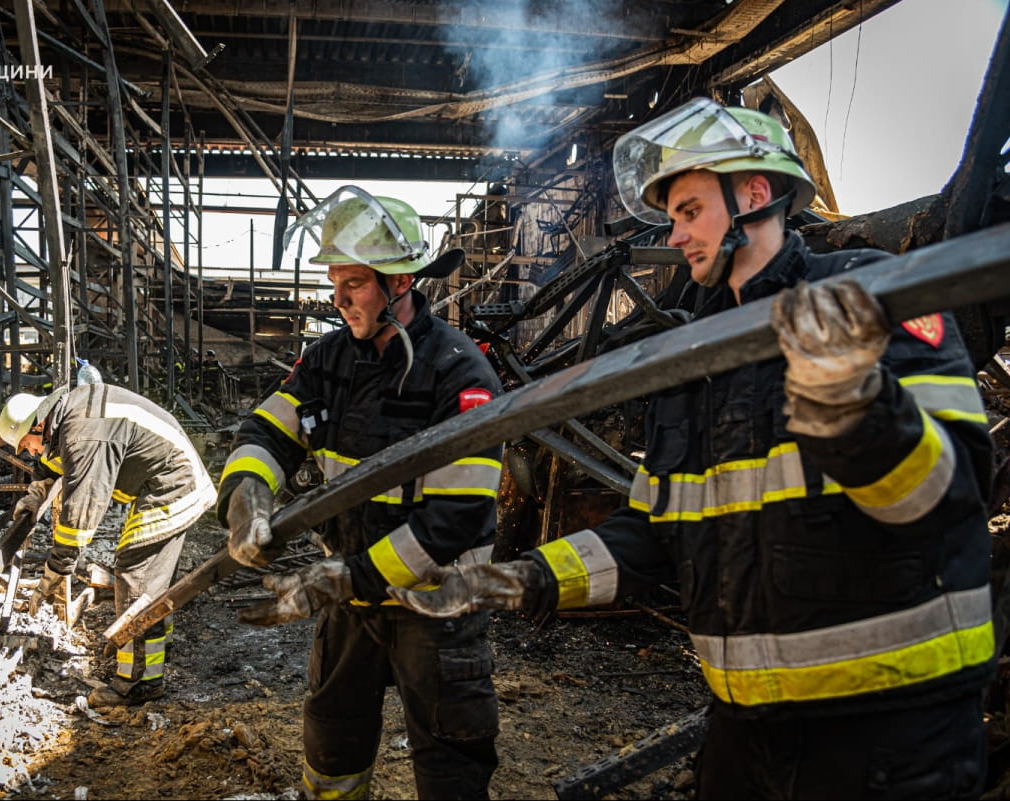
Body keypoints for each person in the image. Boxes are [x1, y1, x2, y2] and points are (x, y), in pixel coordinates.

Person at [389, 98, 996, 800]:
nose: (675, 236)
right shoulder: (691, 360)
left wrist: (850, 399)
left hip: (891, 735)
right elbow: (653, 531)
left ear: (755, 195)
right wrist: (522, 580)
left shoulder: (869, 302)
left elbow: (947, 497)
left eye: (689, 210)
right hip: (745, 732)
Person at [216, 186, 504, 799]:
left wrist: (347, 577)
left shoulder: (460, 372)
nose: (337, 297)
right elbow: (266, 432)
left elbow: (454, 521)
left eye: (353, 282)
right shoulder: (326, 360)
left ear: (399, 283)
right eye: (335, 280)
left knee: (450, 760)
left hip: (438, 607)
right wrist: (247, 496)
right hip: (350, 606)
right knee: (333, 744)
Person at [0, 381, 217, 707]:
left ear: (38, 424)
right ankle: (155, 646)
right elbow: (55, 465)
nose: (28, 452)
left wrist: (56, 569)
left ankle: (138, 684)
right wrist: (34, 497)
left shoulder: (82, 432)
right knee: (147, 578)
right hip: (167, 482)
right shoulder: (72, 416)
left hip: (173, 486)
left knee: (136, 577)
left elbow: (82, 510)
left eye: (25, 445)